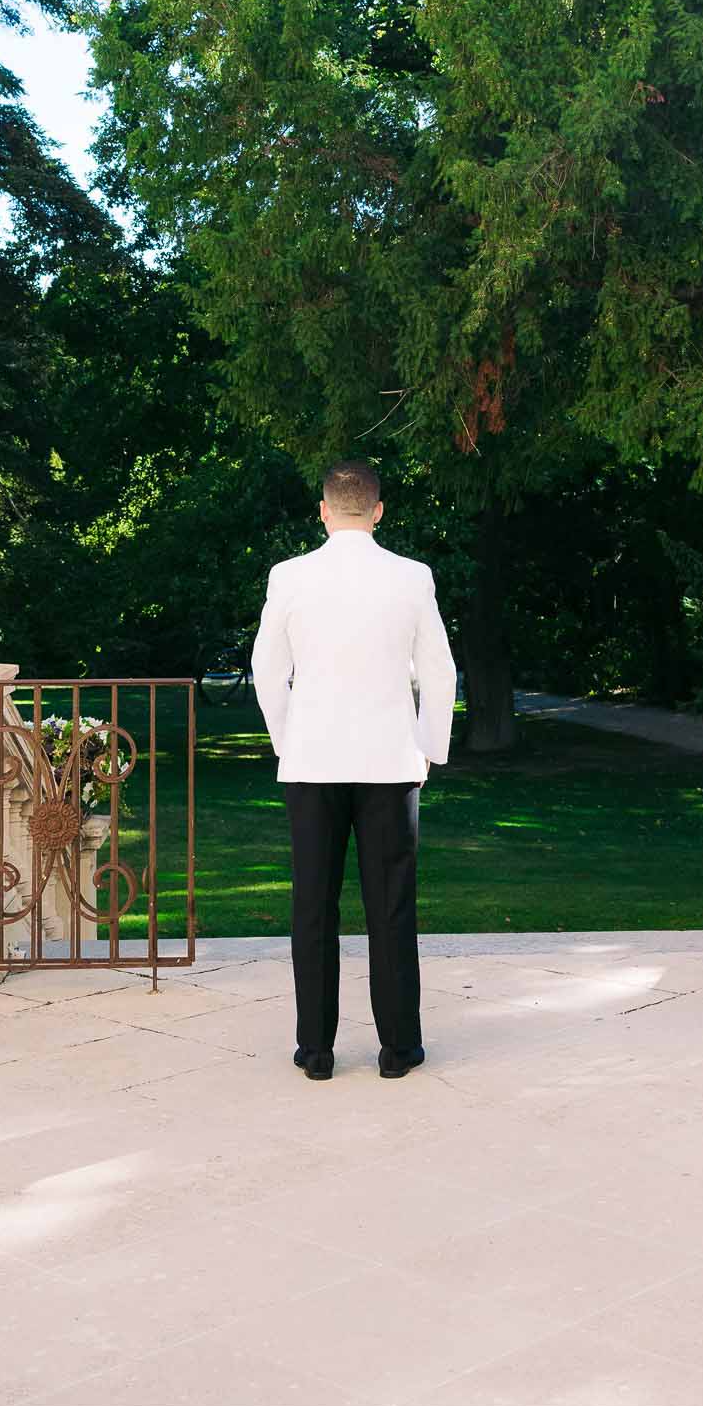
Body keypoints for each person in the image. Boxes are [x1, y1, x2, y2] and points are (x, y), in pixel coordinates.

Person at [250, 459, 456, 1081]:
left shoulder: (289, 577)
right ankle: (398, 1049)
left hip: (311, 761)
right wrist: (429, 749)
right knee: (391, 906)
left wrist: (287, 742)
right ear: (377, 510)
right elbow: (441, 673)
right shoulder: (412, 577)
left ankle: (316, 1051)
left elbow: (266, 670)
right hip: (390, 763)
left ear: (323, 511)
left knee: (313, 905)